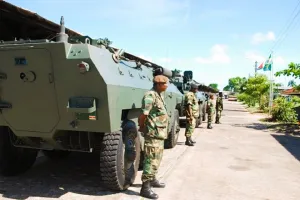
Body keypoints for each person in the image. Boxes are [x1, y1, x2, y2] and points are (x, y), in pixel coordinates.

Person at [138, 75, 169, 199]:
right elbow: (143, 115)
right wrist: (142, 127)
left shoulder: (159, 95)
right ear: (158, 84)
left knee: (157, 158)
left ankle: (153, 179)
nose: (167, 86)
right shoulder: (150, 96)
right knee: (151, 160)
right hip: (153, 133)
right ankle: (145, 188)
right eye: (165, 84)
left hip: (159, 134)